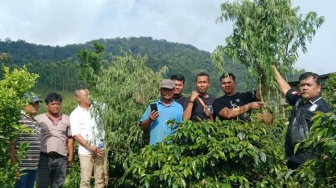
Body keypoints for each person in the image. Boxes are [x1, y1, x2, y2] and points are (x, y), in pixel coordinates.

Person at [273, 65, 332, 169]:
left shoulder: (324, 108)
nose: (305, 88)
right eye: (302, 85)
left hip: (310, 162)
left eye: (309, 85)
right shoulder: (298, 100)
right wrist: (274, 70)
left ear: (318, 88)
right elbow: (286, 89)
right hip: (292, 157)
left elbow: (329, 135)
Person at [35, 92, 74, 188]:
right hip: (43, 157)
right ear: (47, 105)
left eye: (58, 104)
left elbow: (70, 138)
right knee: (41, 184)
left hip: (61, 157)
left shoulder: (67, 119)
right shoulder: (38, 119)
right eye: (53, 104)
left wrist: (71, 155)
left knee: (58, 185)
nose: (56, 106)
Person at [70, 87, 106, 188]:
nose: (89, 97)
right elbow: (76, 135)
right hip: (86, 152)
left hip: (101, 150)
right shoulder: (75, 114)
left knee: (101, 180)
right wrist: (91, 147)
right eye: (86, 95)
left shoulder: (99, 107)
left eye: (89, 94)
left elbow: (113, 107)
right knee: (85, 181)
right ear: (78, 98)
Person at [10, 92, 42, 188]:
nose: (35, 106)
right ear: (24, 105)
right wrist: (14, 167)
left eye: (37, 103)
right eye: (31, 103)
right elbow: (12, 144)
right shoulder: (19, 120)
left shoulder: (36, 123)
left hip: (33, 167)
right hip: (21, 167)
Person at [140, 79, 183, 145]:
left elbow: (182, 128)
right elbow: (142, 126)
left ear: (174, 90)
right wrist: (150, 120)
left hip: (172, 149)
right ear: (160, 91)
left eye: (169, 90)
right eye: (164, 90)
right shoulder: (153, 106)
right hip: (154, 149)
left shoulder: (179, 108)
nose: (167, 92)